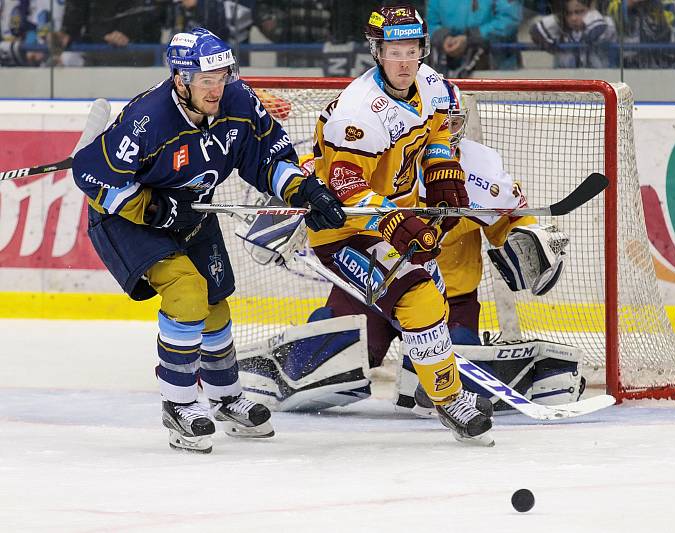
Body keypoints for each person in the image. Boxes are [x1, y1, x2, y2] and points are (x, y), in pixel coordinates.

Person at [237, 79, 584, 419]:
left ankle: (507, 376)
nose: (445, 131)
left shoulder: (480, 169)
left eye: (453, 123)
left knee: (428, 387)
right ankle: (263, 368)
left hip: (450, 299)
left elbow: (511, 221)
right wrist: (283, 212)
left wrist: (531, 242)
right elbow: (316, 177)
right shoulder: (380, 149)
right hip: (373, 283)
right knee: (331, 362)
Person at [71, 27, 346, 453]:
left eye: (222, 77)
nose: (217, 88)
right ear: (181, 79)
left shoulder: (237, 100)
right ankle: (179, 405)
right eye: (206, 80)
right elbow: (90, 175)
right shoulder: (150, 118)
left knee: (216, 301)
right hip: (128, 220)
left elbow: (270, 157)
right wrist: (155, 209)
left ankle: (225, 397)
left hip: (192, 211)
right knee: (187, 291)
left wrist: (304, 190)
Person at [308, 5, 495, 446]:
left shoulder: (433, 86)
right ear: (377, 52)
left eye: (412, 50)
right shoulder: (358, 112)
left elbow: (439, 137)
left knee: (431, 303)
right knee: (418, 298)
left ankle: (446, 397)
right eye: (395, 51)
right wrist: (393, 220)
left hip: (395, 219)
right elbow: (346, 185)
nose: (406, 61)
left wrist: (443, 171)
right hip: (345, 229)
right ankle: (450, 401)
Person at [427, 0, 523, 77]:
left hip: (495, 67)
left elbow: (509, 20)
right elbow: (431, 22)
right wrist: (443, 38)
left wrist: (471, 38)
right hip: (445, 67)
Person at [530, 0, 617, 68]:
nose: (573, 18)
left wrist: (591, 11)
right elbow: (535, 30)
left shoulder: (606, 22)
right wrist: (560, 18)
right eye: (569, 13)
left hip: (599, 79)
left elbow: (597, 31)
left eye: (579, 12)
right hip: (567, 80)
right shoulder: (561, 28)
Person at [607, 0, 675, 68]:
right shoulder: (616, 4)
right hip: (630, 65)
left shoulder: (670, 4)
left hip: (664, 63)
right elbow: (611, 18)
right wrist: (629, 3)